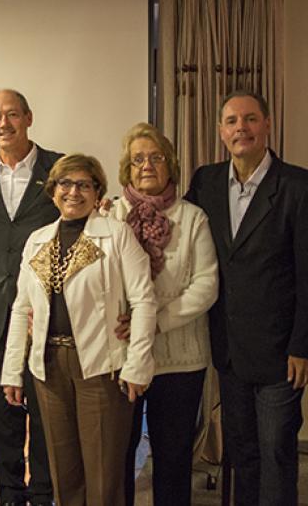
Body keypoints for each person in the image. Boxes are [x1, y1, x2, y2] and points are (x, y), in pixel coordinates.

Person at [185, 90, 308, 505]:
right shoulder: (206, 182)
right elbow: (176, 234)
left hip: (281, 355)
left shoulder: (302, 189)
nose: (241, 128)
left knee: (276, 453)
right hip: (229, 351)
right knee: (242, 453)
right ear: (220, 131)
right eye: (232, 121)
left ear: (267, 125)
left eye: (250, 119)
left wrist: (305, 347)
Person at [0, 153, 157, 506]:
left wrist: (137, 365)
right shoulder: (37, 240)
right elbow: (21, 308)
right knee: (64, 473)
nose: (73, 192)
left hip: (101, 367)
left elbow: (144, 301)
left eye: (83, 184)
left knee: (103, 475)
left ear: (97, 190)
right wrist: (12, 371)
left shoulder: (117, 235)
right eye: (65, 184)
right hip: (48, 366)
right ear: (53, 191)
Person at [111, 123, 218, 506]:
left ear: (170, 164)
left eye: (156, 157)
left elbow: (206, 286)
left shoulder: (193, 218)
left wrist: (153, 322)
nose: (147, 165)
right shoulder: (109, 214)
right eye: (138, 158)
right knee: (117, 458)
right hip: (121, 356)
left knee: (172, 461)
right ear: (127, 167)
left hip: (180, 361)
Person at [0, 89, 59, 506]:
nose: (3, 123)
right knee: (1, 414)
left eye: (11, 115)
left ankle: (42, 491)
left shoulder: (58, 169)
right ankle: (9, 493)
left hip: (43, 315)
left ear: (28, 117)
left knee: (43, 413)